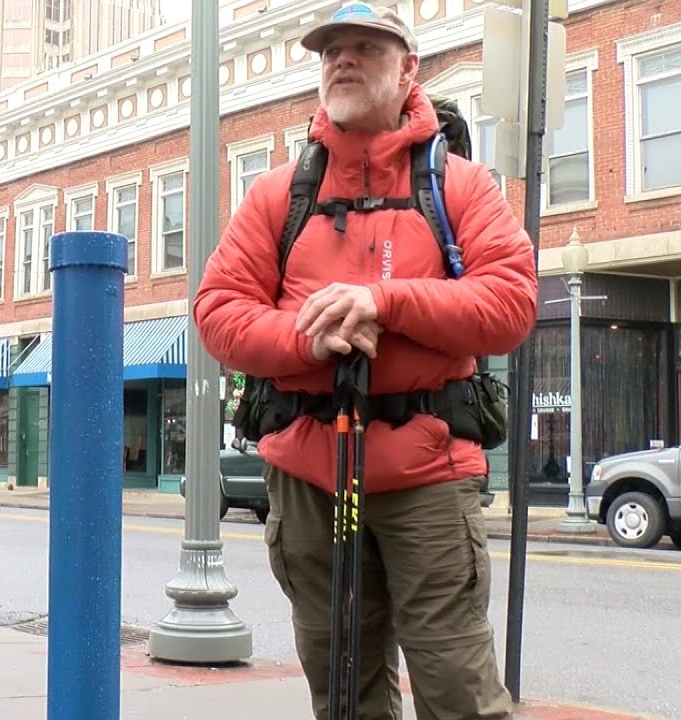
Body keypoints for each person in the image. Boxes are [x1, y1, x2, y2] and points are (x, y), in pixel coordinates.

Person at [192, 3, 537, 720]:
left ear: (408, 68)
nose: (341, 61)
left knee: (458, 692)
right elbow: (218, 312)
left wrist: (386, 302)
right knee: (343, 692)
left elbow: (510, 304)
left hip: (429, 477)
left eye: (364, 49)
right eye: (330, 52)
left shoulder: (462, 187)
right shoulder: (278, 195)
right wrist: (306, 339)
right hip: (310, 483)